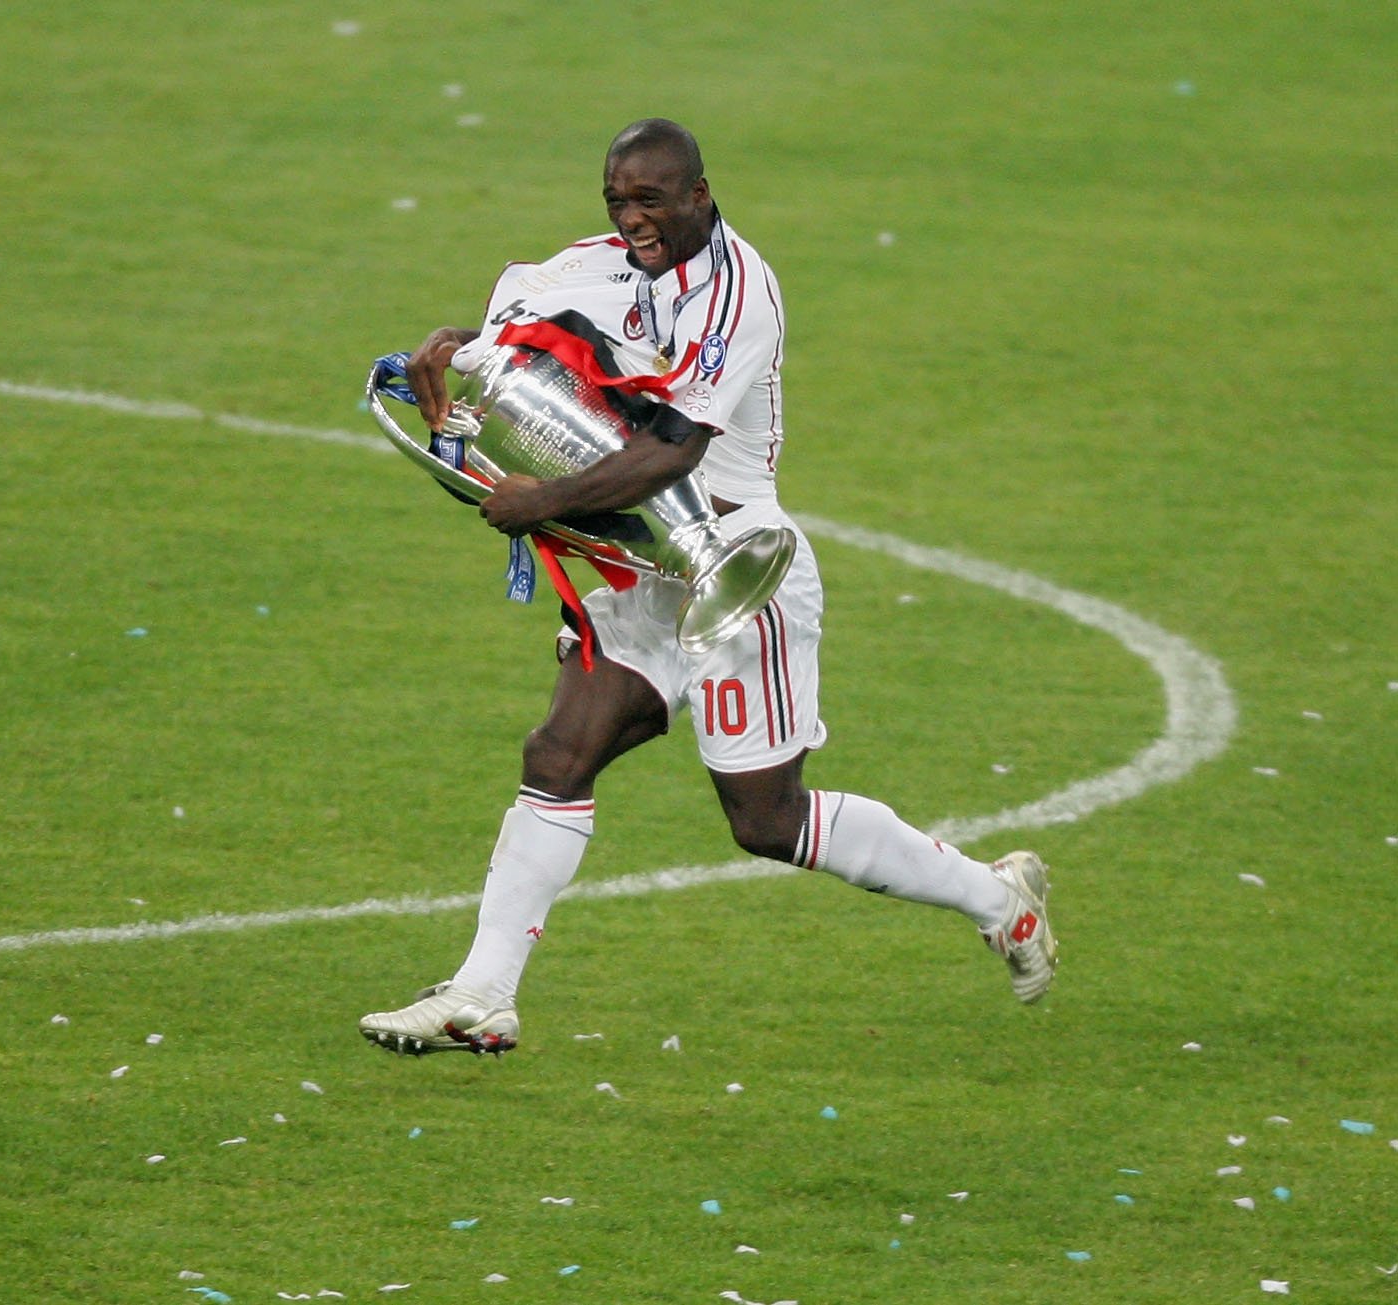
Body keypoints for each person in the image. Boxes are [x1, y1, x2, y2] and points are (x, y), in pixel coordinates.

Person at [359, 119, 1057, 1057]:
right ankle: (481, 994)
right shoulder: (590, 266)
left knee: (765, 820)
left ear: (698, 193)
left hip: (737, 563)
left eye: (650, 199)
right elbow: (517, 362)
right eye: (617, 199)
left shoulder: (738, 292)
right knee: (559, 752)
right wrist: (452, 368)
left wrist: (545, 501)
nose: (632, 217)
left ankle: (996, 898)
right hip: (639, 565)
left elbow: (673, 448)